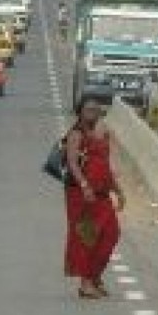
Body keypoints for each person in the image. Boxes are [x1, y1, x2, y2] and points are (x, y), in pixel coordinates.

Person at [63, 94, 125, 299]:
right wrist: (84, 185)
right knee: (87, 238)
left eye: (95, 110)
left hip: (102, 194)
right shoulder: (76, 134)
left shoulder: (102, 134)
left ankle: (95, 275)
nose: (92, 113)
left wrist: (118, 190)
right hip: (82, 197)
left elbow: (105, 166)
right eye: (88, 110)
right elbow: (72, 163)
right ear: (80, 111)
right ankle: (86, 283)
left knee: (111, 234)